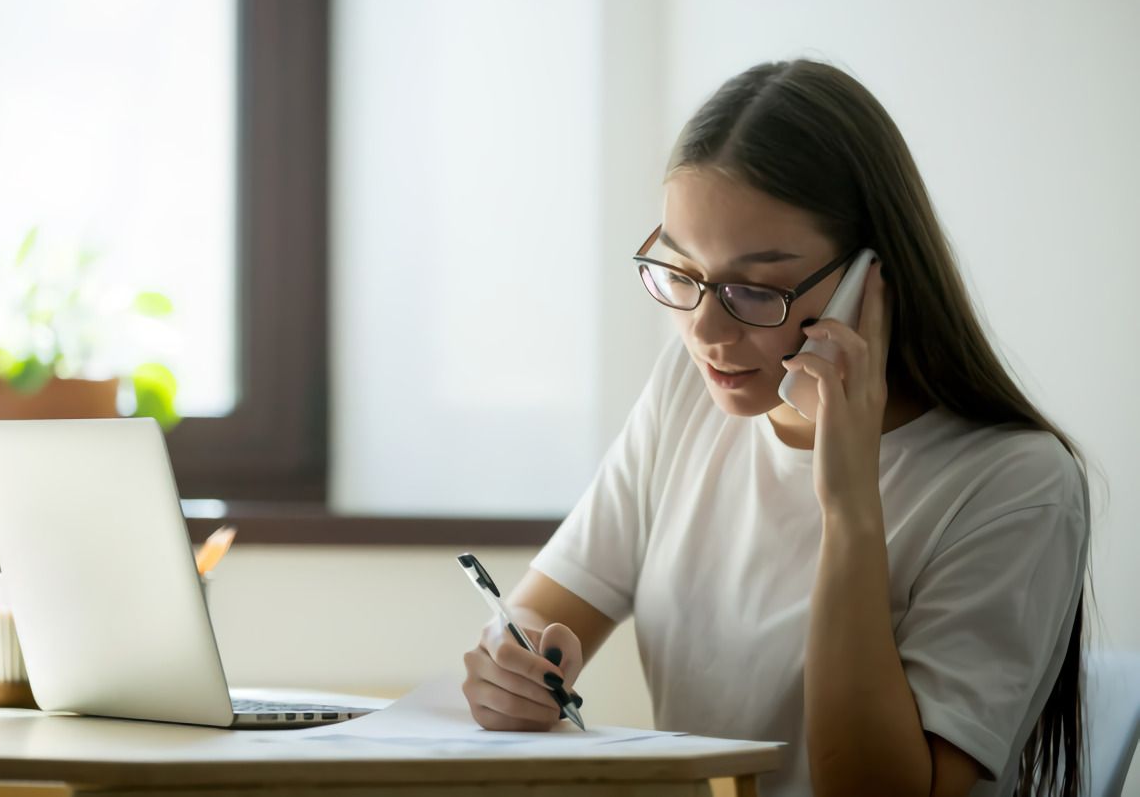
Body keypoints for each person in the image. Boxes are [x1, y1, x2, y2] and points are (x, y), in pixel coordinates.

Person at [460, 59, 1091, 797]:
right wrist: (517, 663)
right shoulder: (688, 395)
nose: (706, 331)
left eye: (753, 290)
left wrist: (850, 508)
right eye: (684, 273)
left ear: (869, 277)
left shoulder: (1016, 483)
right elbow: (543, 611)